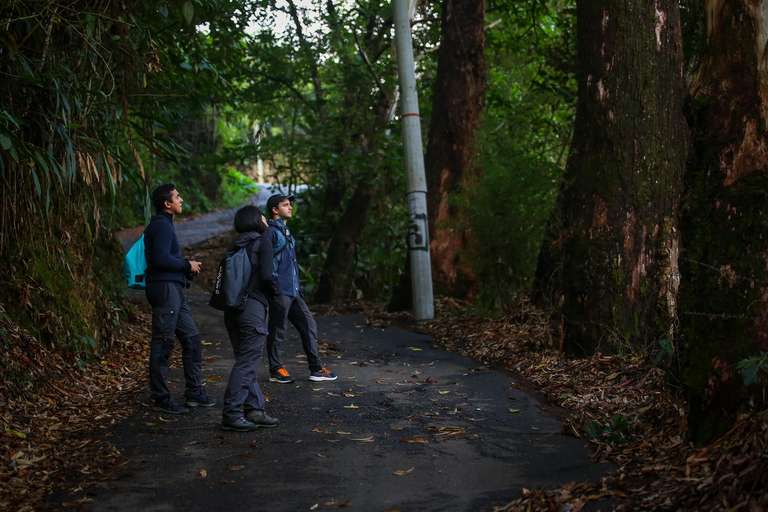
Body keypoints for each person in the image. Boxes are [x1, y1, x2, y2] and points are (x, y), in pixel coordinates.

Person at [144, 183, 216, 414]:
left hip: (173, 289)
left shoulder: (165, 225)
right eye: (177, 197)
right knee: (163, 342)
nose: (181, 199)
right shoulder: (161, 226)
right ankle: (161, 399)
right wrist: (188, 265)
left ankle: (194, 393)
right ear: (167, 203)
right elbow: (162, 260)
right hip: (164, 289)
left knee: (192, 339)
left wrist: (185, 268)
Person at [265, 193, 337, 383]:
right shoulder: (271, 232)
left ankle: (316, 369)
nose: (290, 207)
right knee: (277, 329)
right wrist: (272, 285)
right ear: (275, 210)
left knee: (309, 324)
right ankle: (276, 370)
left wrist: (297, 287)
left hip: (293, 290)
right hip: (280, 289)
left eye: (290, 204)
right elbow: (265, 261)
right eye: (285, 205)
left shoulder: (287, 232)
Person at [220, 206, 280, 431]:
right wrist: (274, 291)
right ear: (257, 220)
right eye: (263, 216)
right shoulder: (262, 242)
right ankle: (232, 413)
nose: (266, 219)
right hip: (252, 309)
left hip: (232, 310)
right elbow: (266, 275)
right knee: (247, 362)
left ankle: (254, 409)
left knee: (245, 360)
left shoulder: (235, 244)